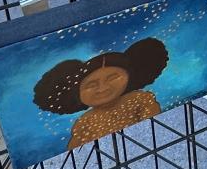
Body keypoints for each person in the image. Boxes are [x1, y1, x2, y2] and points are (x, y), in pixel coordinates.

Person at [33, 38, 168, 150]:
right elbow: (75, 146)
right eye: (91, 85)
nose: (102, 88)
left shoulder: (139, 99)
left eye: (113, 78)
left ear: (129, 76)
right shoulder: (84, 122)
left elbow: (152, 120)